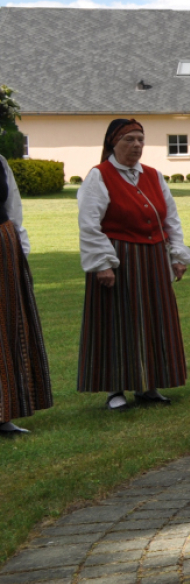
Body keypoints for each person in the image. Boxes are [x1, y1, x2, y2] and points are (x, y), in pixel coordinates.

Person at [77, 119, 190, 412]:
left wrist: (177, 255)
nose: (136, 145)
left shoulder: (153, 175)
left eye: (140, 139)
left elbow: (171, 218)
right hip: (119, 259)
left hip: (152, 259)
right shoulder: (99, 176)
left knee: (154, 321)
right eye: (129, 139)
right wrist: (102, 263)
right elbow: (89, 224)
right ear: (112, 143)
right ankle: (115, 388)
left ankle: (148, 384)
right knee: (117, 321)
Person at [1, 152, 51, 436]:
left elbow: (13, 208)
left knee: (7, 329)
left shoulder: (0, 162)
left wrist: (19, 248)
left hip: (3, 248)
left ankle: (3, 412)